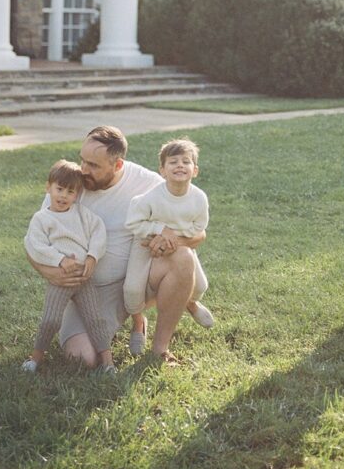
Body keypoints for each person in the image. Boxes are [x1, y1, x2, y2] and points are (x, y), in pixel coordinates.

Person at [26, 125, 209, 369]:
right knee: (81, 359)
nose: (84, 170)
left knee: (183, 257)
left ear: (118, 165)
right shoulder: (67, 185)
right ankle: (134, 320)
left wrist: (172, 242)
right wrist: (45, 270)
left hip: (139, 277)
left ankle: (160, 349)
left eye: (94, 165)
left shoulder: (149, 184)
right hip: (88, 290)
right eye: (83, 161)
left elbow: (200, 233)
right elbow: (34, 239)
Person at [21, 159, 109, 372]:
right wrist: (59, 259)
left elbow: (99, 232)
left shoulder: (81, 214)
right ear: (48, 187)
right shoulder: (42, 218)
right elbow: (36, 245)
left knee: (95, 319)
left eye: (70, 192)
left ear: (77, 195)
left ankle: (108, 363)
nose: (63, 196)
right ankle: (35, 358)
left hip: (83, 278)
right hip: (62, 279)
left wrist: (92, 257)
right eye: (59, 189)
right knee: (50, 320)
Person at [123, 138, 214, 337]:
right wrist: (160, 230)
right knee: (131, 291)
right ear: (162, 171)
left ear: (195, 170)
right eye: (173, 162)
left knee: (200, 286)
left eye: (186, 161)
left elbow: (200, 226)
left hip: (180, 244)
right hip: (145, 243)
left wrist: (175, 241)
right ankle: (138, 323)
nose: (180, 165)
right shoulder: (151, 198)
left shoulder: (199, 198)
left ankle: (190, 303)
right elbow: (132, 223)